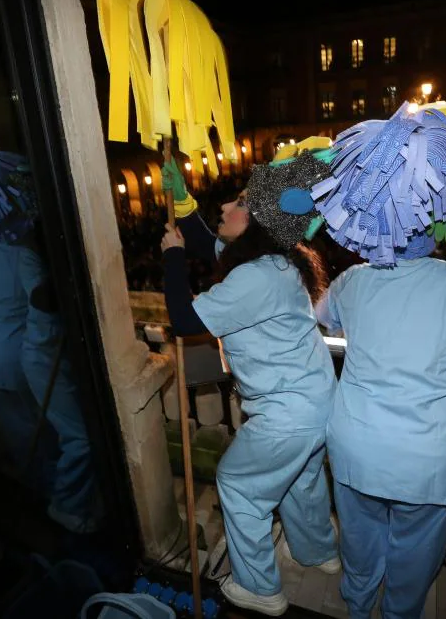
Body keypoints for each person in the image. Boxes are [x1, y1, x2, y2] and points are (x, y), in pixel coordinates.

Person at [313, 102, 446, 619]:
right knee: (415, 556)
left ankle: (358, 607)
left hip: (356, 447)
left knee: (359, 544)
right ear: (433, 216)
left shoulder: (351, 281)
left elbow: (325, 321)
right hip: (430, 460)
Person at [160, 139, 340, 616]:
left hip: (287, 411)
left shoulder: (257, 276)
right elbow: (208, 241)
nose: (227, 205)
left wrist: (172, 258)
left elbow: (185, 321)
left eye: (239, 202)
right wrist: (183, 203)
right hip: (315, 400)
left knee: (238, 484)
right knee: (302, 481)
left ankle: (260, 587)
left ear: (259, 220)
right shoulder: (278, 260)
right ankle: (318, 552)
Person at [0, 145, 101, 534]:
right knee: (48, 434)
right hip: (16, 358)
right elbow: (42, 303)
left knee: (23, 437)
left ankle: (45, 497)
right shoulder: (25, 254)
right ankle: (63, 504)